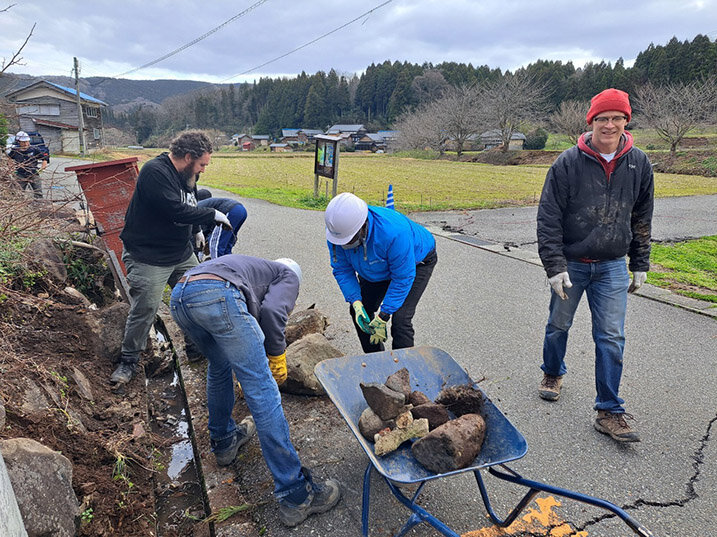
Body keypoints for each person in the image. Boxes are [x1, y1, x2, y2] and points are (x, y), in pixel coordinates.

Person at [169, 255, 341, 527]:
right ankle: (296, 494)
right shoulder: (288, 275)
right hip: (214, 296)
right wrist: (276, 355)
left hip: (180, 297)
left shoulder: (251, 269)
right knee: (263, 390)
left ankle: (224, 441)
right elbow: (272, 312)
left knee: (220, 365)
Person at [536, 88, 654, 443]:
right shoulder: (568, 162)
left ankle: (609, 409)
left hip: (612, 265)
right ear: (591, 122)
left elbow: (642, 215)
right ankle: (553, 371)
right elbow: (549, 218)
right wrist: (554, 267)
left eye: (617, 118)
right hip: (572, 263)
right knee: (559, 324)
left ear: (626, 121)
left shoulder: (639, 163)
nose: (610, 124)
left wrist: (640, 263)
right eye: (602, 118)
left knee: (611, 337)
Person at [112, 130, 234, 385]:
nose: (203, 170)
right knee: (146, 306)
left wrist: (197, 230)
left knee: (197, 298)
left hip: (180, 253)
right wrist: (210, 215)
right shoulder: (155, 172)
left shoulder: (189, 174)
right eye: (202, 164)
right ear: (188, 156)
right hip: (148, 255)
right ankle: (128, 360)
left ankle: (196, 348)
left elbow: (189, 204)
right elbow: (173, 209)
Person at [324, 192, 437, 353]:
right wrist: (355, 302)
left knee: (400, 319)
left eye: (350, 240)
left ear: (363, 225)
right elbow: (342, 269)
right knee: (361, 311)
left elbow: (402, 277)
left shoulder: (394, 232)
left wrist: (384, 315)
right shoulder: (338, 232)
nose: (346, 244)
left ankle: (402, 369)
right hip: (376, 264)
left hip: (416, 261)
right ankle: (375, 359)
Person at [195, 193, 248, 259]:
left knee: (215, 245)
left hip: (229, 210)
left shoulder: (194, 210)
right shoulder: (200, 204)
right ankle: (228, 264)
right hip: (241, 210)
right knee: (227, 245)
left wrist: (198, 258)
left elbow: (199, 240)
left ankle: (218, 267)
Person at [7, 131, 49, 198]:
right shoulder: (15, 150)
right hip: (20, 174)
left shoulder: (34, 149)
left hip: (33, 173)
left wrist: (42, 168)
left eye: (27, 141)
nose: (26, 144)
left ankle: (39, 205)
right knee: (19, 193)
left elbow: (44, 159)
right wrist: (11, 169)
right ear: (19, 142)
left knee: (38, 193)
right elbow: (9, 159)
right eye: (23, 142)